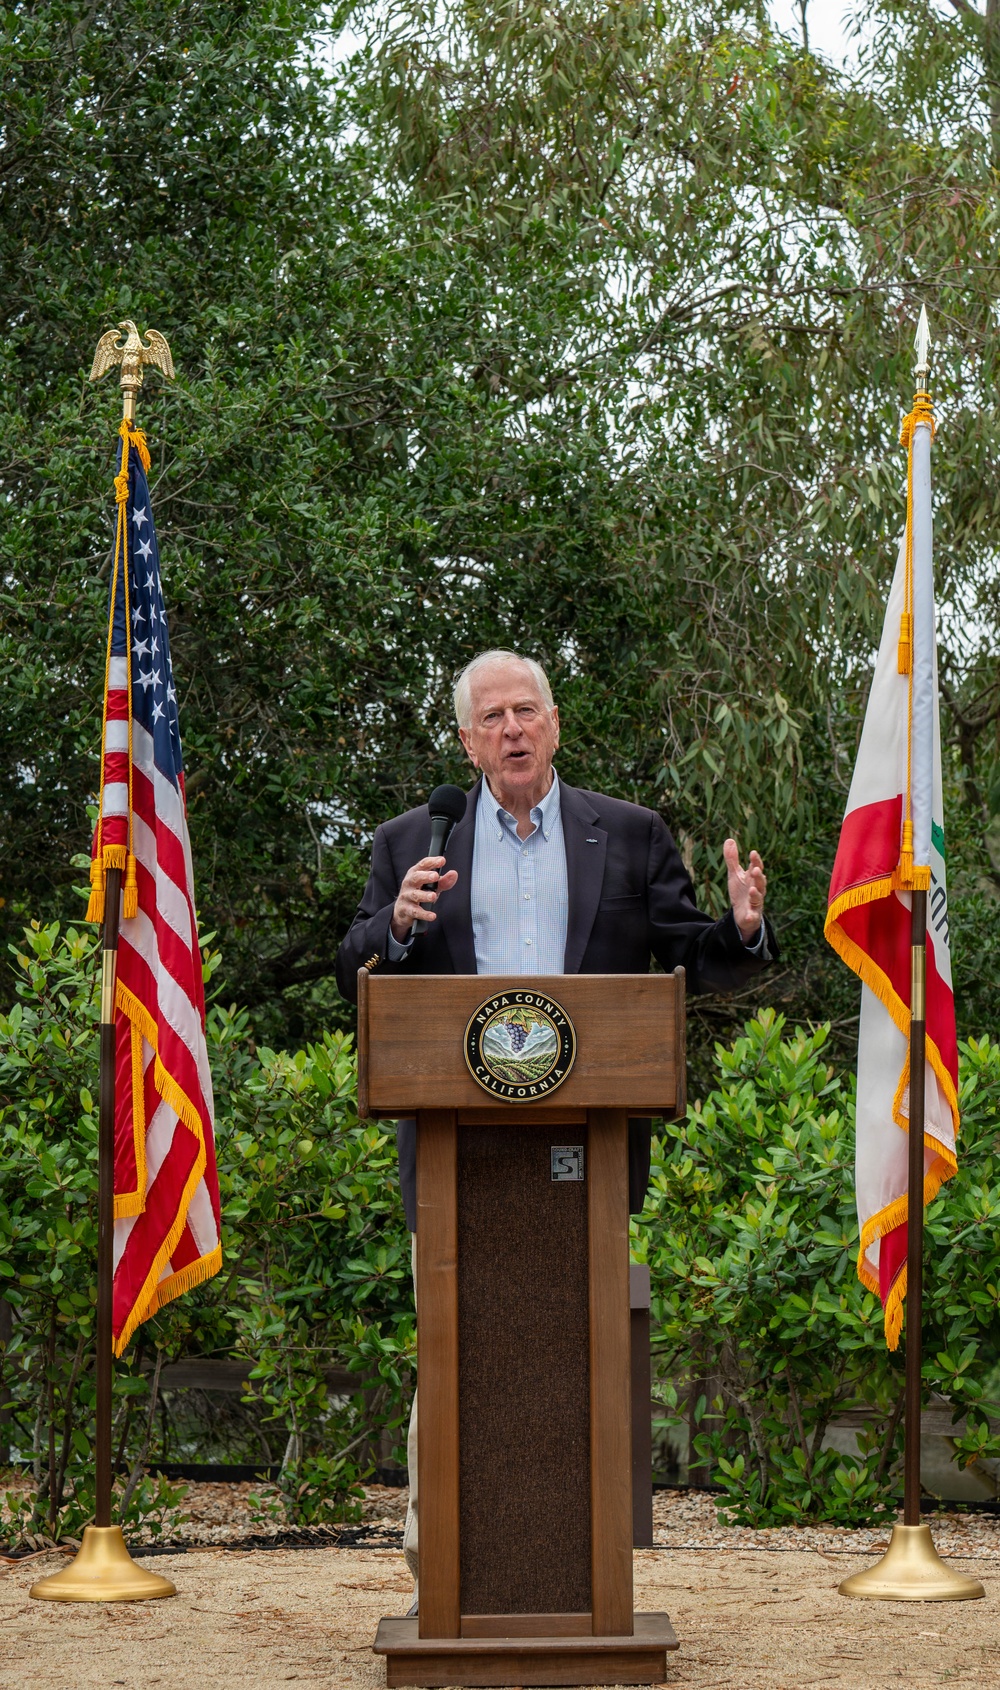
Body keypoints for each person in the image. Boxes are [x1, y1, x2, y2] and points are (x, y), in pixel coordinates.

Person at [335, 648, 777, 1605]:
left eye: (525, 712)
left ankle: (580, 1583)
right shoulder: (415, 840)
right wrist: (397, 928)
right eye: (490, 719)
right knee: (453, 1354)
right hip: (457, 1157)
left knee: (573, 1356)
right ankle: (445, 1572)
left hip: (591, 1156)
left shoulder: (626, 833)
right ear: (465, 740)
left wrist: (738, 930)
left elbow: (691, 958)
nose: (512, 731)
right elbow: (355, 967)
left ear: (555, 724)